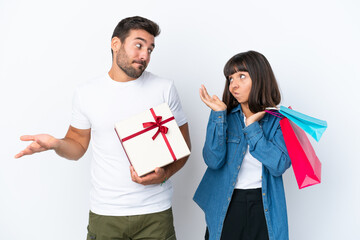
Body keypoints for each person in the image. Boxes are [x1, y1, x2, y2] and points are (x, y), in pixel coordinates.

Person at [15, 16, 191, 240]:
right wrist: (56, 144)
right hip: (106, 213)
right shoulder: (86, 93)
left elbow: (184, 146)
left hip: (155, 213)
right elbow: (77, 146)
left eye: (150, 49)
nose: (145, 55)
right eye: (138, 45)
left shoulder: (164, 88)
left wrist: (164, 174)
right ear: (115, 44)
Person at [193, 50, 291, 240]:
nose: (234, 85)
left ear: (260, 78)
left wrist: (252, 127)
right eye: (230, 79)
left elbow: (279, 166)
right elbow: (213, 160)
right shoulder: (224, 117)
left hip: (264, 205)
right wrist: (218, 115)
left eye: (242, 76)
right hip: (228, 203)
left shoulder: (279, 121)